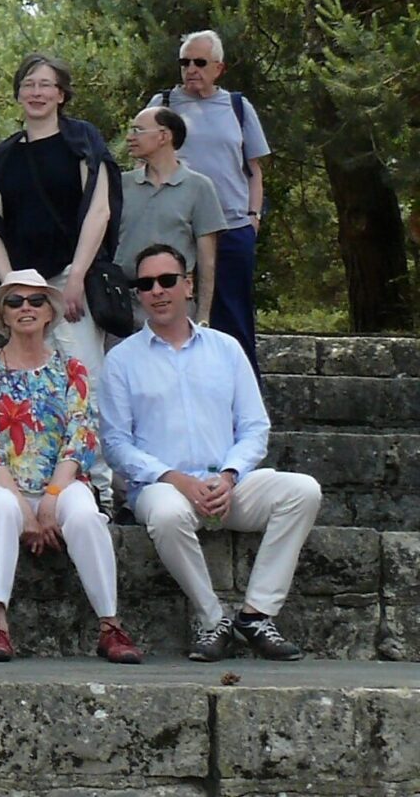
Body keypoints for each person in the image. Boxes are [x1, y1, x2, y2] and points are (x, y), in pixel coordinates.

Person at [103, 243, 319, 662]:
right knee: (166, 513)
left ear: (187, 285)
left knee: (303, 491)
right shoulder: (121, 360)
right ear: (138, 294)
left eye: (167, 280)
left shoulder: (226, 348)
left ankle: (256, 614)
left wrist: (229, 474)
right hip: (161, 486)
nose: (158, 291)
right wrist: (173, 478)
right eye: (146, 284)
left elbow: (255, 427)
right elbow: (115, 443)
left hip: (226, 485)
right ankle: (212, 618)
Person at [0, 269, 138, 663]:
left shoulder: (72, 370)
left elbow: (82, 436)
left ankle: (110, 625)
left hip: (57, 480)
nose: (26, 308)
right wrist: (25, 509)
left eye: (36, 301)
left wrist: (52, 497)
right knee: (1, 508)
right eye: (15, 301)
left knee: (86, 515)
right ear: (2, 314)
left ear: (50, 312)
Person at [0, 53, 118, 389]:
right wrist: (10, 284)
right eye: (28, 85)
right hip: (25, 287)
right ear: (18, 93)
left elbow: (99, 210)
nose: (36, 92)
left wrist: (77, 277)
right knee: (31, 384)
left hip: (72, 279)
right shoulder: (4, 155)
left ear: (61, 94)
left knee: (86, 380)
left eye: (45, 85)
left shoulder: (82, 141)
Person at [149, 31, 271, 367]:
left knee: (234, 319)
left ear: (219, 67)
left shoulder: (237, 107)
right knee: (174, 314)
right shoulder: (162, 106)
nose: (191, 69)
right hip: (177, 229)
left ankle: (242, 402)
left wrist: (253, 218)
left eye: (199, 62)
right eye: (184, 62)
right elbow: (141, 162)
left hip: (232, 226)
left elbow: (254, 169)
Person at [119, 106, 226, 330]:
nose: (130, 137)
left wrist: (203, 316)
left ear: (164, 136)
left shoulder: (199, 187)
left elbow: (207, 261)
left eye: (138, 130)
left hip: (174, 304)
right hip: (122, 305)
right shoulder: (120, 185)